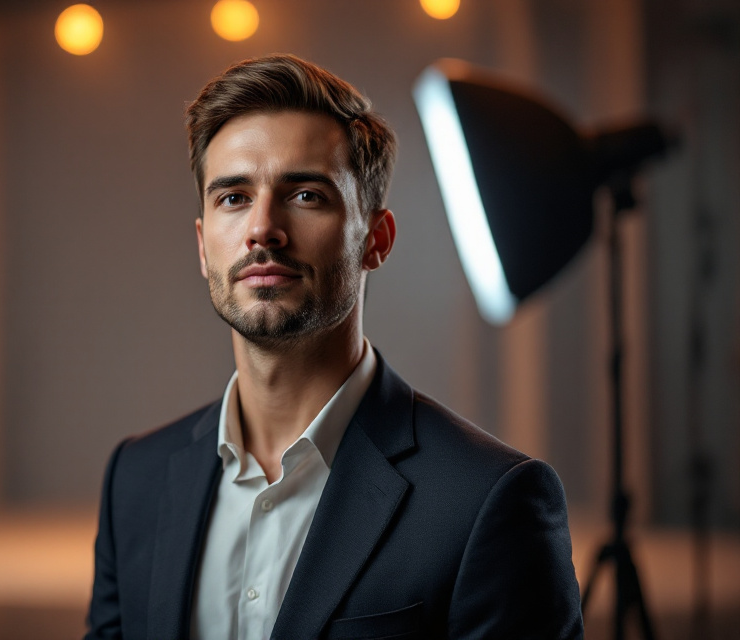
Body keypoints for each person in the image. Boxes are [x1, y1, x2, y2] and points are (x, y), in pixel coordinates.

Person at [84, 54, 583, 640]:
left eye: (306, 196)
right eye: (233, 197)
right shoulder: (135, 480)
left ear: (376, 238)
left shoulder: (489, 501)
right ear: (202, 245)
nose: (263, 227)